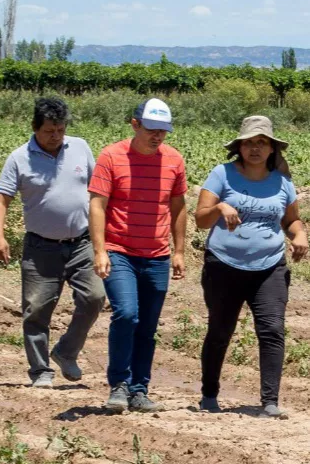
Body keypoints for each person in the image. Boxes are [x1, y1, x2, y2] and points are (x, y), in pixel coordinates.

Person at [194, 116, 307, 418]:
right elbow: (200, 218)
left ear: (272, 149)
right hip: (223, 266)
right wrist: (219, 207)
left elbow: (290, 219)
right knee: (220, 330)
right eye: (249, 142)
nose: (255, 148)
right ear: (239, 147)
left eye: (262, 142)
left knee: (271, 330)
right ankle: (209, 394)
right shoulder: (223, 174)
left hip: (269, 267)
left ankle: (269, 401)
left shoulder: (282, 182)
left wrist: (300, 234)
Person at [0, 98, 106, 387]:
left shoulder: (80, 147)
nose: (55, 136)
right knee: (37, 309)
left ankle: (66, 351)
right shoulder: (19, 158)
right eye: (49, 131)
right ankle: (40, 371)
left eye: (60, 129)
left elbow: (98, 193)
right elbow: (1, 198)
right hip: (41, 247)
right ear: (35, 128)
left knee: (94, 298)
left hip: (81, 243)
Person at [88, 98, 187, 413]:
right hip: (120, 252)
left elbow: (179, 206)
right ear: (135, 124)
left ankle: (139, 390)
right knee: (127, 314)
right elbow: (97, 205)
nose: (157, 136)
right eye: (151, 129)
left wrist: (180, 250)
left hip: (157, 255)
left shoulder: (174, 160)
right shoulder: (111, 156)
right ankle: (118, 384)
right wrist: (100, 250)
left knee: (147, 325)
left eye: (163, 131)